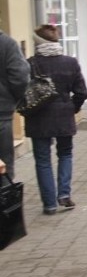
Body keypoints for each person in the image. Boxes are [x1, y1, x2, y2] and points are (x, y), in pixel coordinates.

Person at [24, 25, 87, 215]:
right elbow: (81, 92)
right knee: (65, 154)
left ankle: (49, 204)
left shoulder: (30, 64)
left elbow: (22, 91)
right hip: (63, 117)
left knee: (42, 160)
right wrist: (72, 108)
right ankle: (64, 194)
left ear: (37, 42)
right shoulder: (70, 63)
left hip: (38, 118)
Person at [0, 25, 30, 181]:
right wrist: (13, 100)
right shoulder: (7, 43)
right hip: (2, 115)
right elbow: (20, 78)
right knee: (3, 168)